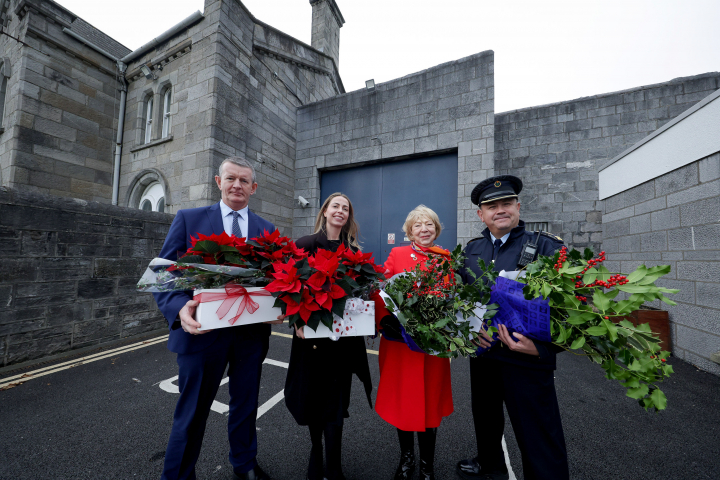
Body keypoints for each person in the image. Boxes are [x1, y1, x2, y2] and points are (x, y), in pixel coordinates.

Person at [153, 157, 279, 480]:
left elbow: (280, 278)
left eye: (244, 180)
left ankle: (244, 463)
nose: (237, 185)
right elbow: (162, 275)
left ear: (254, 187)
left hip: (250, 336)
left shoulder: (268, 230)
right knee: (192, 411)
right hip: (202, 335)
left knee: (246, 405)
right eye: (230, 178)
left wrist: (282, 306)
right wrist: (179, 307)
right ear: (217, 181)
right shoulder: (188, 219)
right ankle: (179, 475)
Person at [455, 175, 569, 480]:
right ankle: (489, 464)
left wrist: (542, 348)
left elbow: (576, 307)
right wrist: (466, 332)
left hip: (526, 358)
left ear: (518, 207)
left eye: (506, 203)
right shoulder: (471, 251)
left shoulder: (546, 247)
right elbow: (461, 299)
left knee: (538, 434)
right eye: (491, 206)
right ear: (481, 215)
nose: (500, 210)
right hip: (484, 355)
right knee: (486, 419)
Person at [282, 192, 373, 480]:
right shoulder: (305, 245)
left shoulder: (354, 251)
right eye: (336, 206)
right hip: (311, 341)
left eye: (345, 208)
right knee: (313, 398)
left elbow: (364, 293)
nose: (341, 211)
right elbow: (285, 286)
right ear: (325, 210)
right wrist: (294, 320)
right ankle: (315, 453)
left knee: (336, 402)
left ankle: (334, 463)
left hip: (343, 343)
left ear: (349, 216)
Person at [372, 205, 454, 480]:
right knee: (403, 401)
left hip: (432, 346)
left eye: (429, 224)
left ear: (436, 229)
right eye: (418, 225)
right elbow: (382, 292)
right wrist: (386, 322)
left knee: (429, 402)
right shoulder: (397, 254)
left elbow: (453, 298)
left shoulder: (446, 258)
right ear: (409, 232)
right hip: (400, 347)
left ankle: (427, 465)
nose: (424, 229)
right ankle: (407, 461)